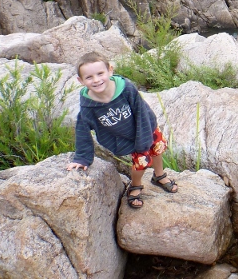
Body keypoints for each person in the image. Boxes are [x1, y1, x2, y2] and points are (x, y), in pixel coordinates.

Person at [66, 53, 178, 208]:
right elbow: (82, 129)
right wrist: (82, 158)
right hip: (125, 135)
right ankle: (135, 185)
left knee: (157, 149)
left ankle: (159, 175)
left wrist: (144, 138)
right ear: (81, 81)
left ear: (110, 71)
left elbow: (140, 110)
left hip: (145, 126)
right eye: (89, 77)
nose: (97, 80)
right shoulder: (89, 106)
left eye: (100, 73)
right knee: (141, 162)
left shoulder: (125, 88)